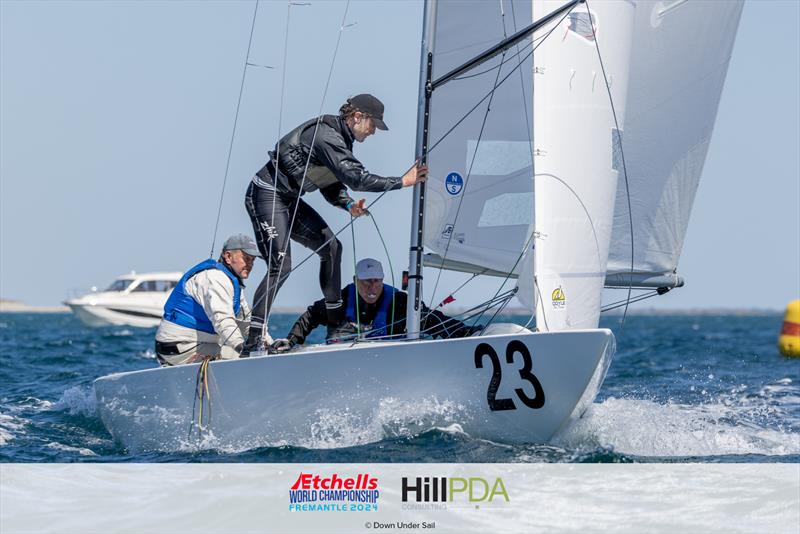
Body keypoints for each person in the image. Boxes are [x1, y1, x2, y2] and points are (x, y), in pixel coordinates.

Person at [244, 94, 427, 352]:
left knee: (332, 248)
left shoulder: (341, 142)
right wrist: (401, 181)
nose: (374, 131)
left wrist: (348, 204)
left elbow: (331, 185)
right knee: (281, 265)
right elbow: (357, 178)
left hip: (289, 200)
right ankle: (252, 340)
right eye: (373, 124)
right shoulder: (327, 137)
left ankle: (335, 325)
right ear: (357, 117)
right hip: (266, 193)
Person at [271, 258, 477, 351]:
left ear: (382, 279)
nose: (372, 287)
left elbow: (432, 319)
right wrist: (290, 341)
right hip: (340, 365)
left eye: (377, 281)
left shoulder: (399, 301)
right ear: (355, 280)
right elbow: (311, 316)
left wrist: (465, 333)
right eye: (367, 281)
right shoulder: (340, 300)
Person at [154, 234, 264, 366]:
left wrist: (268, 343)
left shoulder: (232, 283)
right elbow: (222, 320)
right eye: (246, 258)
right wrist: (242, 347)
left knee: (252, 354)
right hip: (180, 347)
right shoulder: (214, 278)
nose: (250, 264)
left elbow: (246, 322)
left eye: (252, 260)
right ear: (228, 257)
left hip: (197, 344)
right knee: (241, 357)